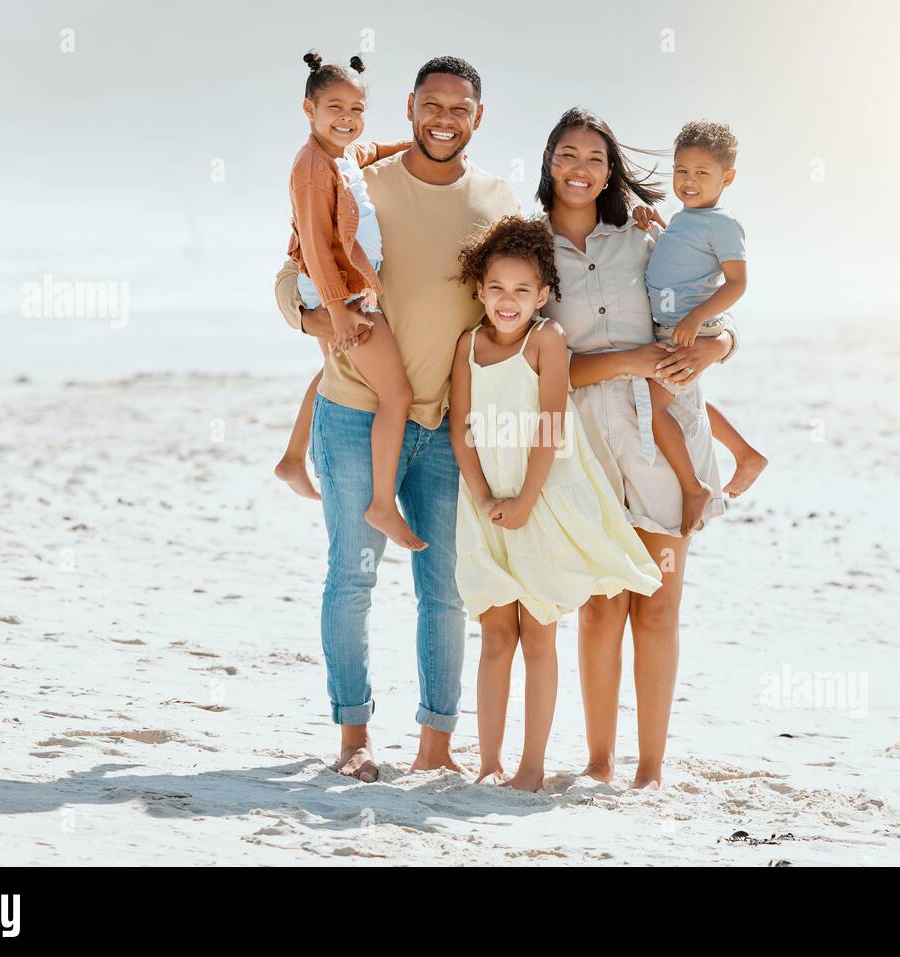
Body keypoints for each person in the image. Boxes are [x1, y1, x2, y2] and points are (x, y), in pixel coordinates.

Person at [273, 56, 519, 782]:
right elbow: (291, 271)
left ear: (480, 115)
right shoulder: (358, 180)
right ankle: (354, 736)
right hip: (353, 411)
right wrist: (320, 320)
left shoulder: (497, 201)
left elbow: (528, 297)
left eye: (460, 108)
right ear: (410, 107)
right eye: (432, 104)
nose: (445, 118)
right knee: (351, 578)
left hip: (445, 424)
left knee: (443, 588)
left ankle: (436, 744)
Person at [536, 107, 739, 788]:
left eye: (595, 157)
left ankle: (650, 770)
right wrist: (629, 360)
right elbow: (541, 368)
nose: (581, 168)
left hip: (662, 436)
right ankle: (599, 762)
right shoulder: (530, 251)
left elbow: (708, 309)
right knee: (599, 605)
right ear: (549, 162)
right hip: (583, 443)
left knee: (657, 604)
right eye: (568, 154)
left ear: (611, 170)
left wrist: (718, 343)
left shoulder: (645, 242)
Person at [448, 216, 662, 791]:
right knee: (494, 636)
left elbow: (551, 423)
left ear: (543, 294)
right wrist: (486, 496)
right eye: (496, 289)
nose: (507, 301)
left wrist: (523, 501)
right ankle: (488, 761)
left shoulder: (547, 339)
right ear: (479, 289)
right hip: (485, 504)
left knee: (538, 635)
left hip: (538, 503)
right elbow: (459, 430)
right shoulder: (468, 344)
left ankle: (531, 766)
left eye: (522, 290)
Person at [273, 51, 425, 549]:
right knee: (397, 394)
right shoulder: (312, 168)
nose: (347, 118)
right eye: (335, 107)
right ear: (308, 109)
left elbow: (373, 150)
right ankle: (382, 504)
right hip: (340, 291)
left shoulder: (343, 156)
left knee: (337, 371)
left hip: (344, 288)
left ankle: (295, 459)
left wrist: (420, 143)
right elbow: (317, 245)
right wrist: (339, 310)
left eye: (357, 109)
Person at [635, 120, 767, 532]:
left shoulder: (724, 223)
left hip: (692, 330)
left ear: (727, 178)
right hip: (672, 329)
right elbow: (680, 258)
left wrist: (695, 318)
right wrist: (656, 226)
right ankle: (745, 455)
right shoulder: (684, 217)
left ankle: (694, 487)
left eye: (702, 174)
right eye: (681, 172)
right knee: (681, 400)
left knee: (653, 408)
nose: (689, 181)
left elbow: (738, 283)